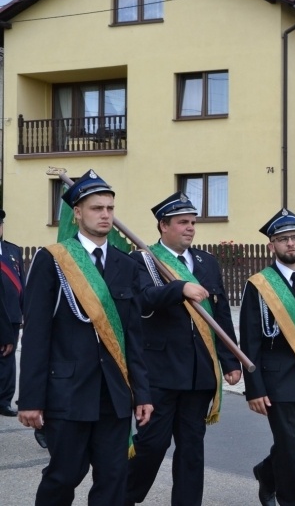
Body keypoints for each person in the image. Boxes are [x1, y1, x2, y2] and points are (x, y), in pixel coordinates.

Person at [17, 169, 153, 506]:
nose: (105, 215)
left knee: (113, 479)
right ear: (77, 213)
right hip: (68, 392)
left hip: (114, 395)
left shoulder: (126, 264)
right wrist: (31, 398)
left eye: (109, 208)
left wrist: (142, 393)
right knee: (64, 475)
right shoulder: (53, 261)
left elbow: (133, 336)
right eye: (96, 208)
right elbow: (36, 333)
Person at [126, 191, 242, 506]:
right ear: (163, 226)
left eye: (193, 222)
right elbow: (143, 300)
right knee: (152, 444)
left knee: (192, 450)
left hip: (198, 373)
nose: (190, 228)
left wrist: (229, 360)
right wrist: (179, 288)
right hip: (160, 373)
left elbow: (219, 314)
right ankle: (124, 495)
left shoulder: (207, 262)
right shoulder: (142, 260)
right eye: (182, 222)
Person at [241, 209, 295, 506]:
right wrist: (254, 388)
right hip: (276, 378)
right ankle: (293, 500)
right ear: (271, 246)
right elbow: (250, 339)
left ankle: (267, 473)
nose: (290, 244)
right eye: (282, 239)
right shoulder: (260, 284)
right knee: (290, 446)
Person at [0, 208, 24, 418]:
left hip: (13, 316)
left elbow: (21, 285)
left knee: (7, 360)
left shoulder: (12, 251)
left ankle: (4, 400)